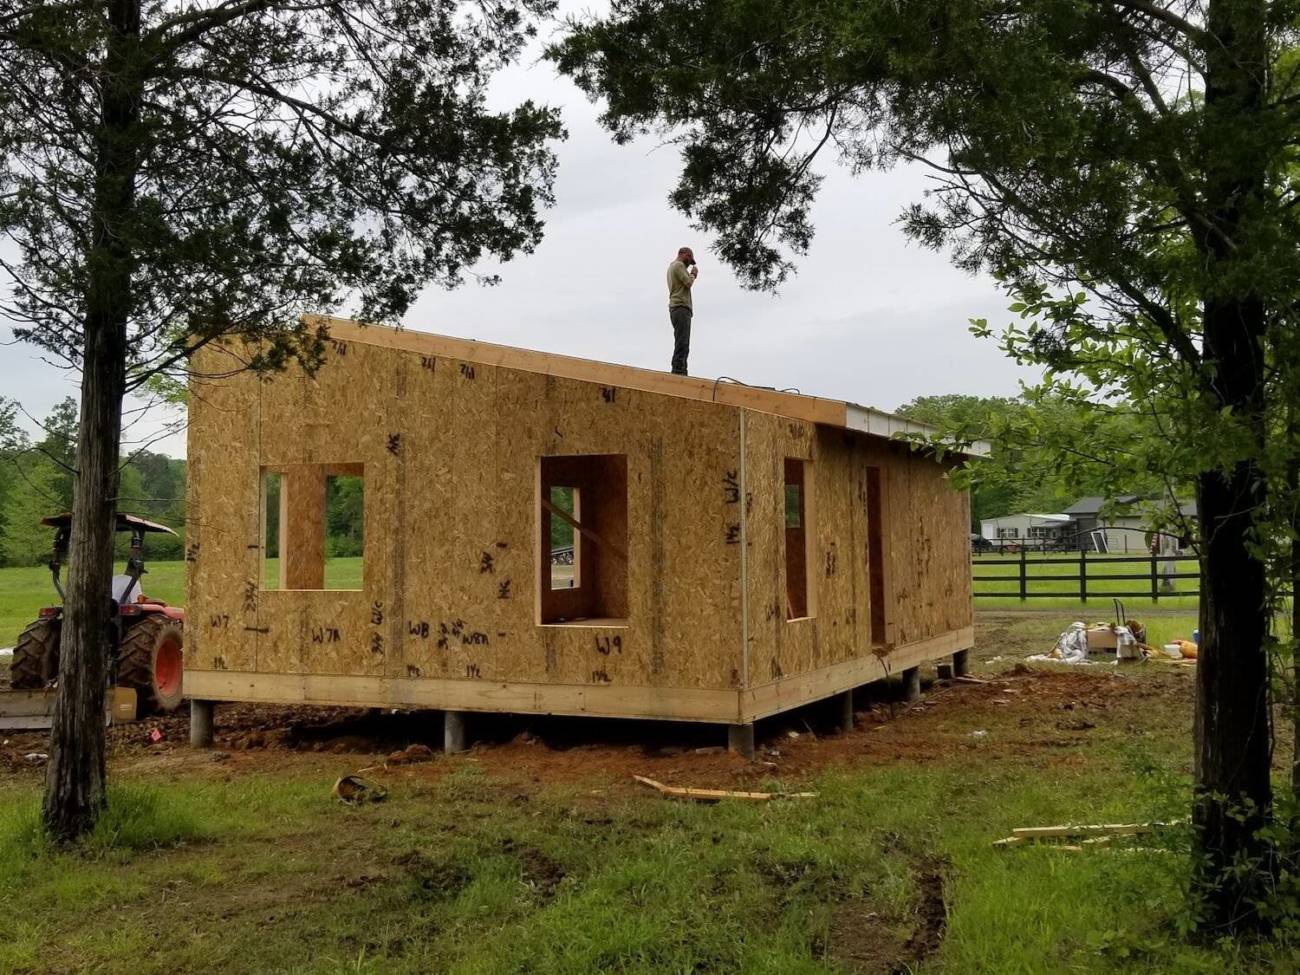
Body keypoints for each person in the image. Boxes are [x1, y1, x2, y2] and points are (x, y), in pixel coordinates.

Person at [666, 246, 699, 375]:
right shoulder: (678, 266)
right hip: (680, 307)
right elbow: (688, 283)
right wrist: (693, 274)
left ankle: (680, 369)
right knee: (682, 342)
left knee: (682, 341)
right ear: (682, 253)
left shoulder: (672, 267)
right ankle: (679, 371)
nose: (690, 262)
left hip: (677, 308)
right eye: (689, 257)